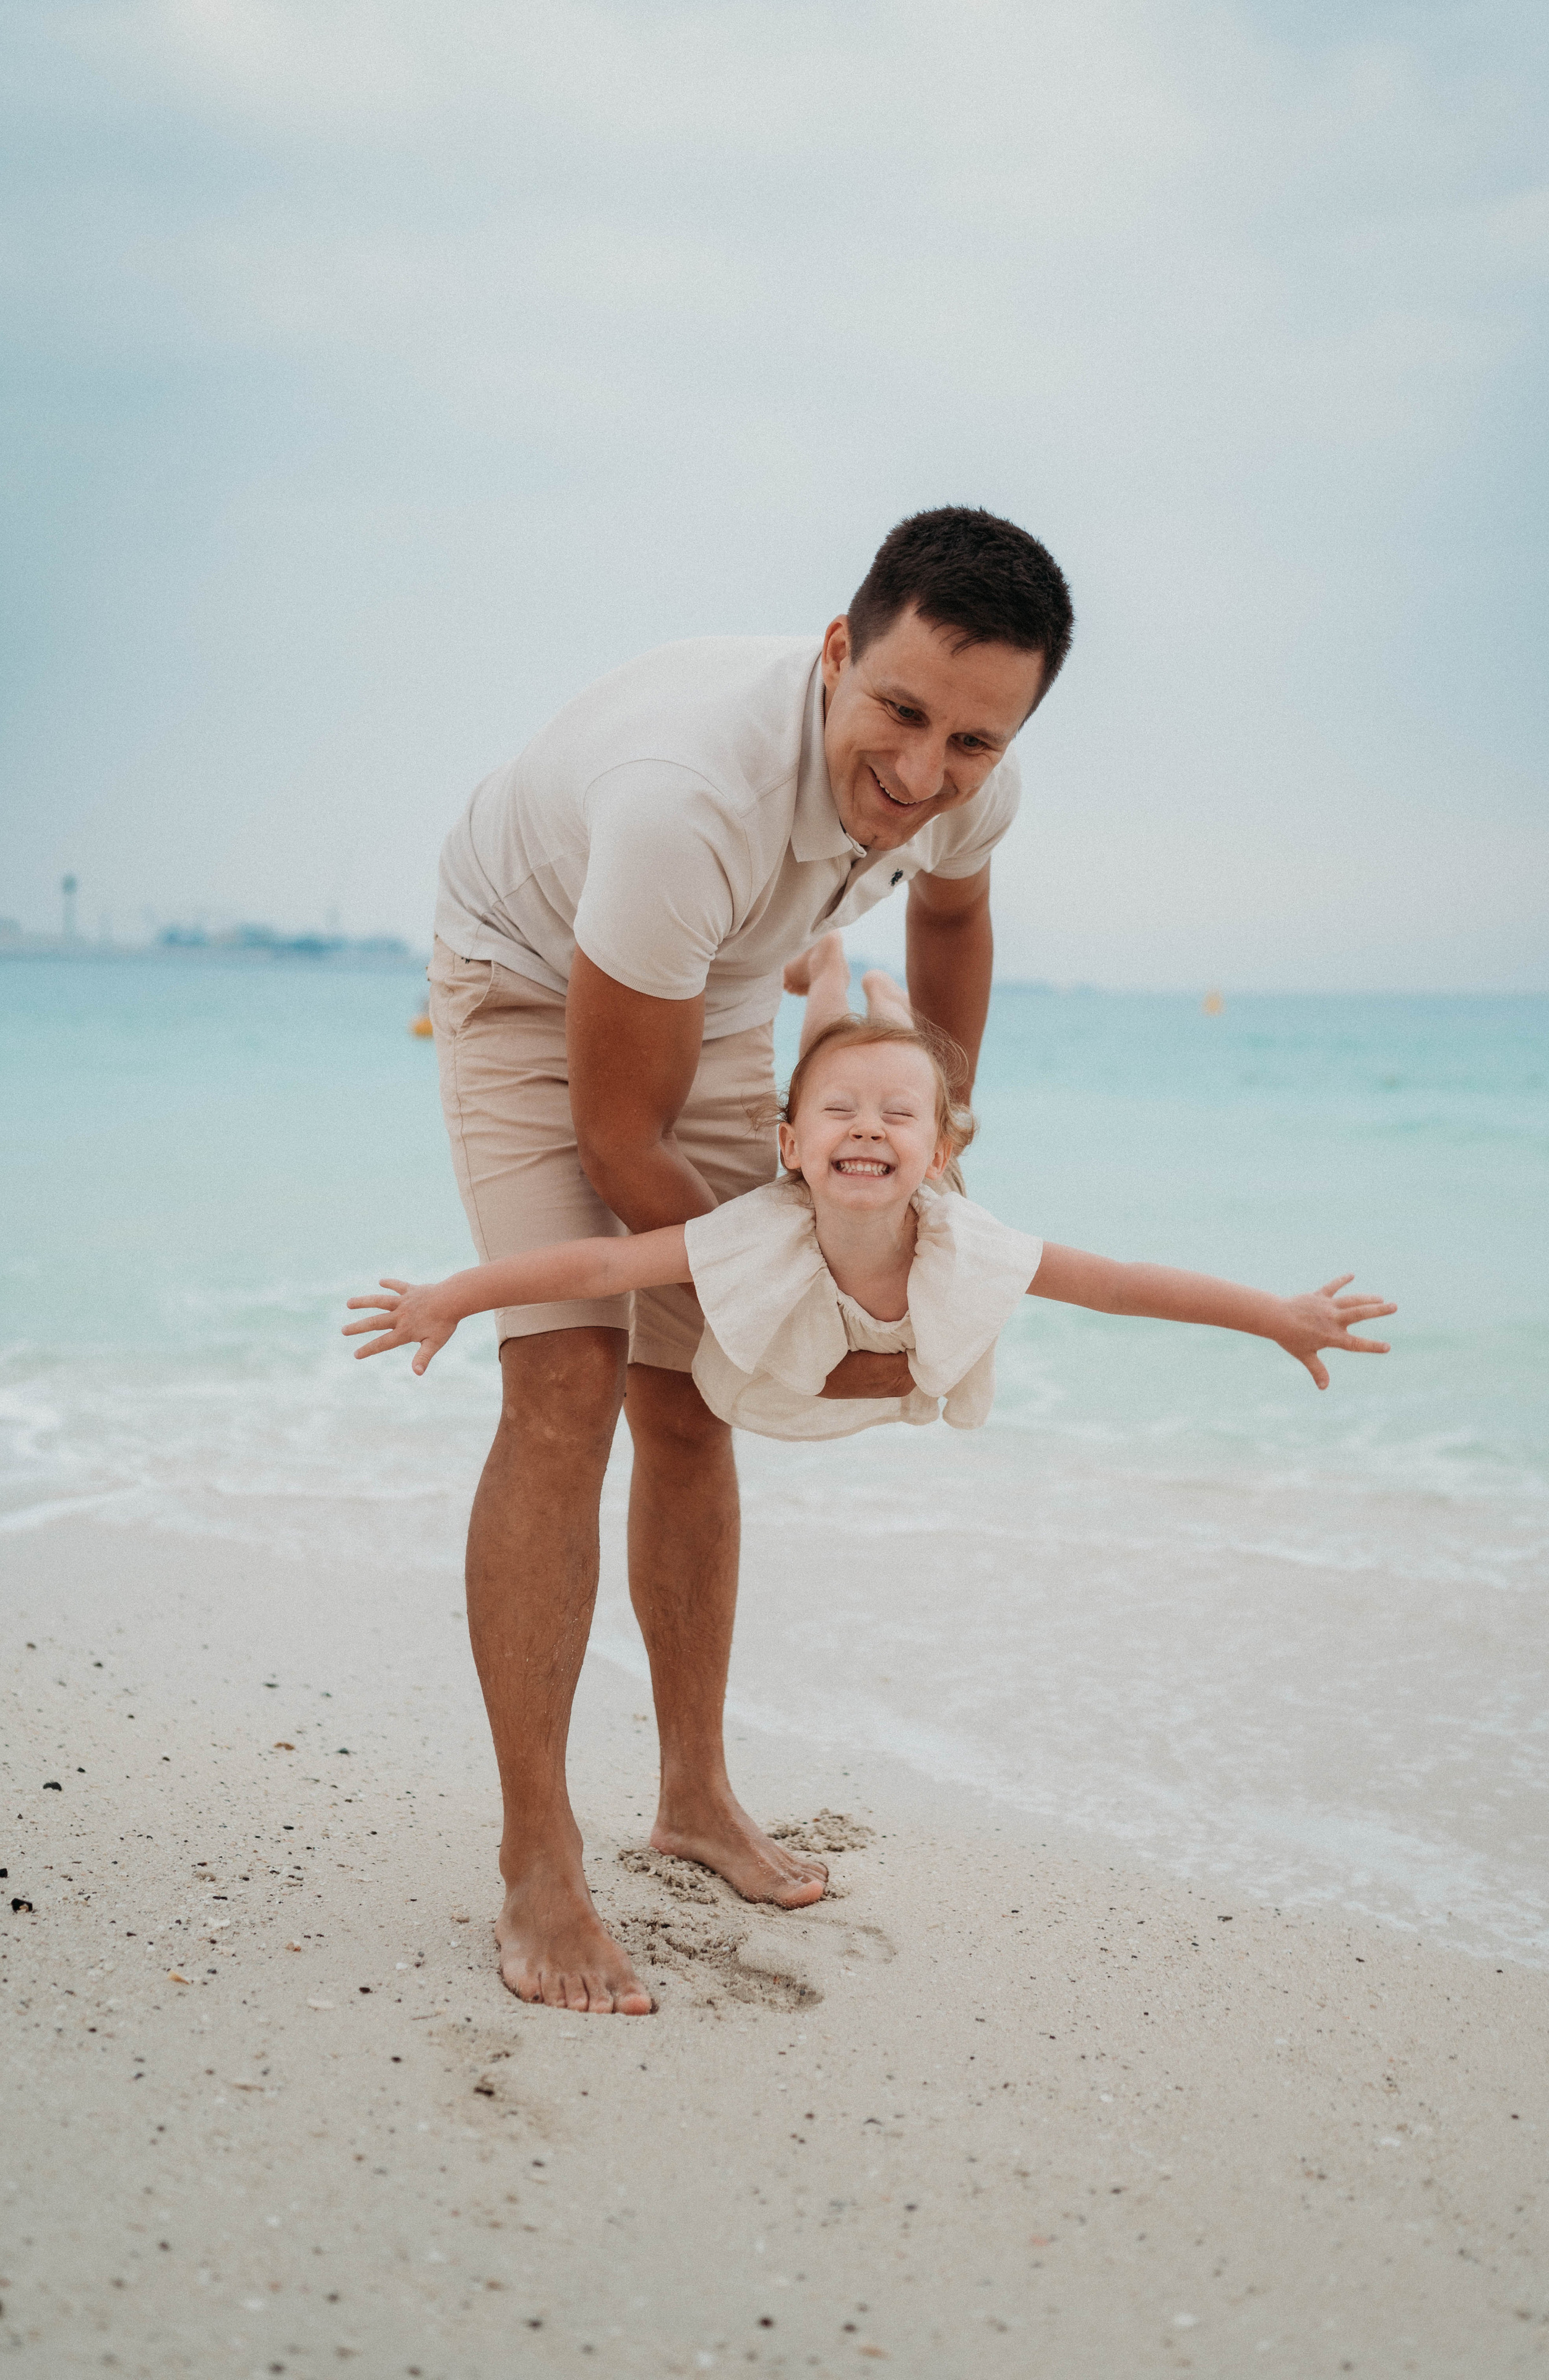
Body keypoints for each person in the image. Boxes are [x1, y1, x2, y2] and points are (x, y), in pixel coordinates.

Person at [349, 955, 1397, 1998]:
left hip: (917, 1271)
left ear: (937, 1153)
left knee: (873, 1047)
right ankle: (838, 977)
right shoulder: (756, 1229)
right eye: (839, 1118)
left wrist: (1276, 1316)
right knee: (833, 1040)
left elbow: (1117, 1285)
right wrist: (459, 1294)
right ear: (788, 1149)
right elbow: (601, 1268)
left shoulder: (960, 1231)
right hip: (798, 1294)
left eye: (900, 1119)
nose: (866, 1128)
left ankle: (879, 997)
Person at [418, 506, 1074, 2016]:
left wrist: (939, 1124)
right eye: (898, 712)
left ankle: (692, 1794)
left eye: (969, 742)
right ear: (839, 651)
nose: (921, 774)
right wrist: (816, 1309)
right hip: (536, 987)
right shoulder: (687, 799)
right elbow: (618, 1132)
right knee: (571, 1376)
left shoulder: (978, 778)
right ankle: (537, 1852)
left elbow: (954, 919)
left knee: (689, 1397)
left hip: (701, 994)